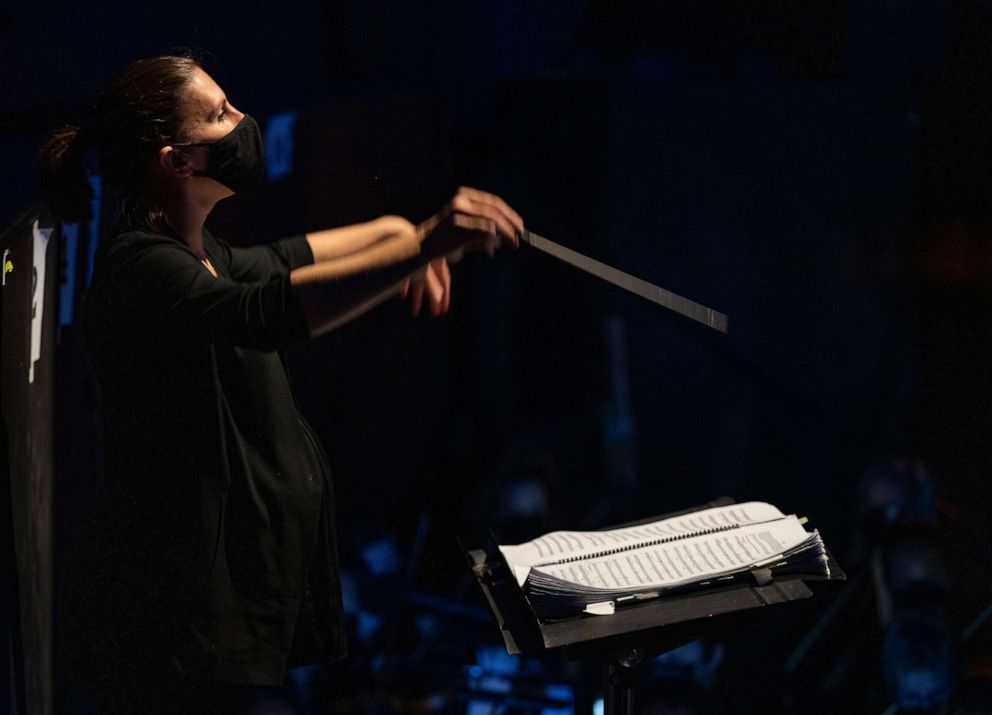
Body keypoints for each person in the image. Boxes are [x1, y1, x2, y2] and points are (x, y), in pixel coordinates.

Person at [39, 54, 523, 714]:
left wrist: (396, 231)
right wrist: (425, 245)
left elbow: (291, 258)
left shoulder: (201, 251)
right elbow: (266, 310)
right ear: (175, 160)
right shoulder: (141, 268)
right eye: (218, 115)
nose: (242, 121)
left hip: (215, 614)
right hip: (171, 626)